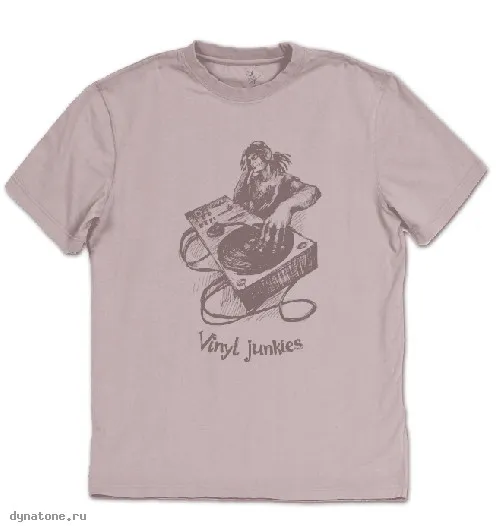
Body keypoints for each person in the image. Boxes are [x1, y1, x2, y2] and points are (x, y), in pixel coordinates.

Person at [234, 141, 321, 250]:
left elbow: (312, 190)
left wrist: (285, 206)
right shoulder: (251, 178)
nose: (252, 163)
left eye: (254, 158)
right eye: (249, 160)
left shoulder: (284, 179)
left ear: (266, 155)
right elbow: (236, 201)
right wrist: (245, 176)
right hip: (252, 232)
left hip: (274, 234)